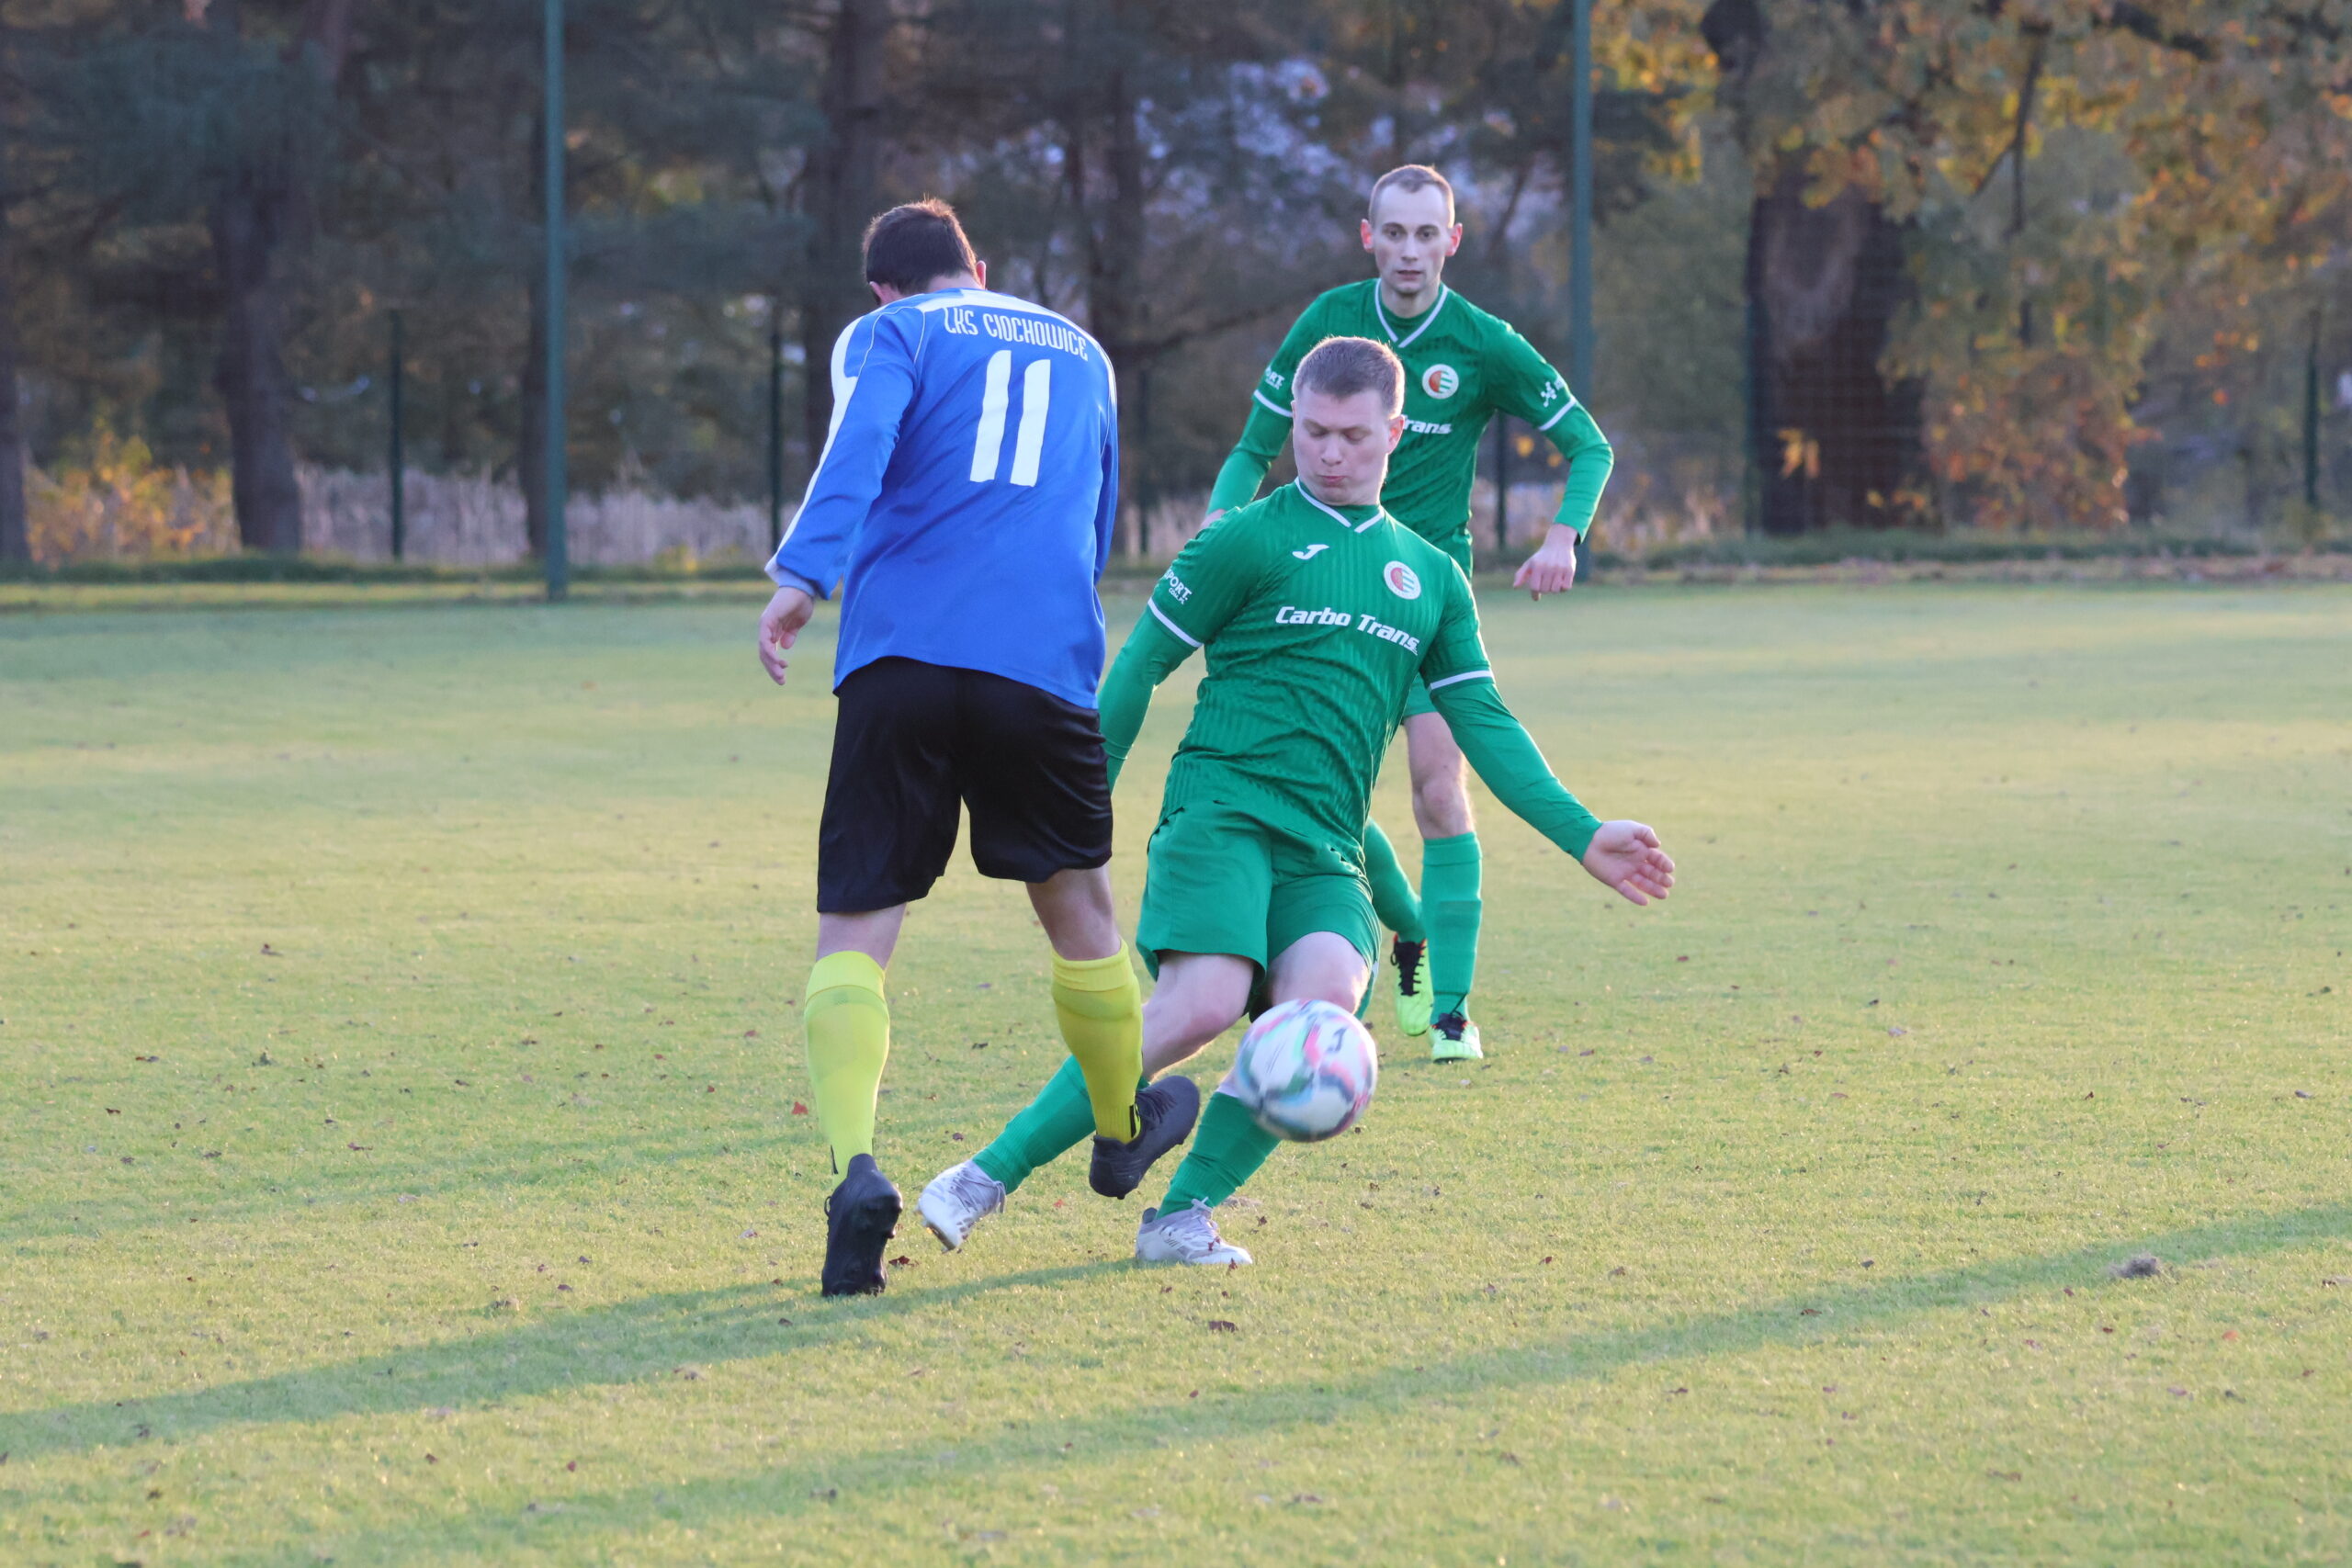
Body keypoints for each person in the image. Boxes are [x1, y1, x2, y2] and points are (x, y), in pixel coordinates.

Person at [918, 335, 1673, 1267]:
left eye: (1353, 435)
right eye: (1312, 432)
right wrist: (1081, 801)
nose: (1328, 452)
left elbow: (1483, 720)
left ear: (1395, 432)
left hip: (1327, 849)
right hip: (1221, 814)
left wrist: (1583, 833)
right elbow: (1140, 668)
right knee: (1202, 1002)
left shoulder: (1431, 578)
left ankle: (1181, 1217)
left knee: (1322, 1014)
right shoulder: (1244, 538)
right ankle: (982, 1177)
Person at [757, 199, 1199, 1296]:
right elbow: (1094, 511)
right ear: (980, 268)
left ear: (881, 289)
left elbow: (859, 448)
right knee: (1079, 908)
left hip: (900, 659)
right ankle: (1119, 1127)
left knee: (858, 925)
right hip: (1038, 662)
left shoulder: (889, 333)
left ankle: (856, 1167)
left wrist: (803, 577)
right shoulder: (1084, 351)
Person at [1205, 164, 1616, 1064]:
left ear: (1452, 242)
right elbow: (1251, 451)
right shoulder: (1327, 325)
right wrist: (1219, 528)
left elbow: (1588, 444)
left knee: (1438, 790)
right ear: (1368, 237)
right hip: (1317, 597)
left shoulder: (1482, 342)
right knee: (1307, 791)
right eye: (1393, 232)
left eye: (1427, 233)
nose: (1409, 250)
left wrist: (1563, 536)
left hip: (1426, 603)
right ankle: (1411, 928)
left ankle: (1451, 1014)